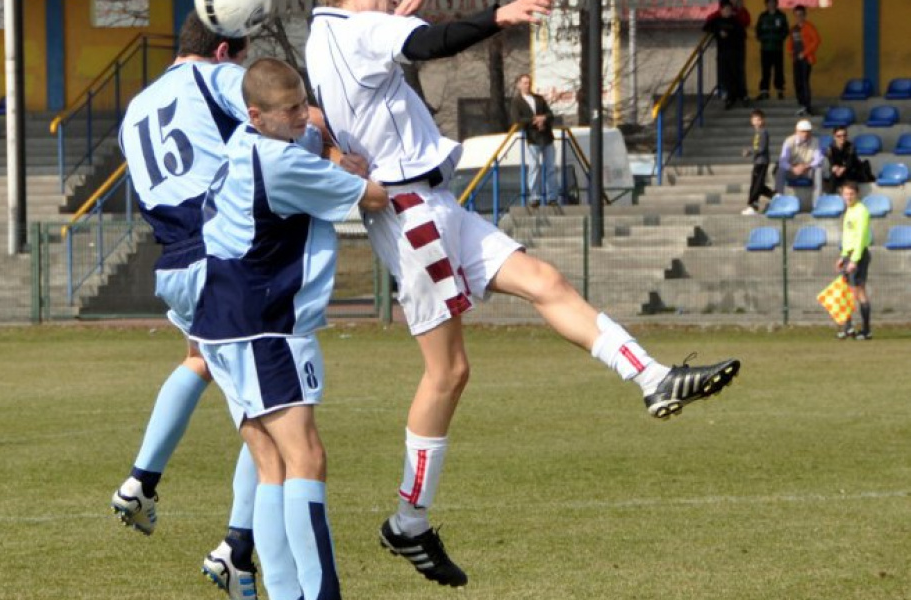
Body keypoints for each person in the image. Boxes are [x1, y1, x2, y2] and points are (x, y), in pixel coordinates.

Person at [306, 0, 741, 587]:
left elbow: (317, 109)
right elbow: (434, 44)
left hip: (433, 204)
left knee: (545, 281)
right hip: (414, 216)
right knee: (448, 373)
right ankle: (408, 521)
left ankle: (653, 377)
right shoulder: (363, 29)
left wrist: (334, 149)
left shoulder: (322, 33)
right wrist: (496, 15)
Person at [190, 56, 390, 600]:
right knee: (307, 457)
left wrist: (321, 143)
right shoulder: (279, 163)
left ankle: (284, 594)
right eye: (292, 110)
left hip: (221, 321)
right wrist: (350, 169)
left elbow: (307, 147)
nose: (305, 115)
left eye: (304, 103)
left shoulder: (244, 143)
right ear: (257, 114)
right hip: (264, 327)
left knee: (271, 463)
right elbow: (375, 197)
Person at [111, 14, 262, 599]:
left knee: (200, 359)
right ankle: (237, 549)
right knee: (272, 414)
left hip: (174, 262)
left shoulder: (137, 108)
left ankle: (142, 480)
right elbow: (271, 115)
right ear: (224, 50)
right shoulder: (216, 78)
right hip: (221, 258)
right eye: (242, 58)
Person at [508, 73, 558, 206]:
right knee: (534, 167)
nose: (527, 85)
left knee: (550, 167)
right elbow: (517, 120)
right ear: (519, 85)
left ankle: (552, 197)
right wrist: (534, 121)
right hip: (532, 138)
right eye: (524, 83)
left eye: (529, 82)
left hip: (547, 137)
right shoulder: (517, 102)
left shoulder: (539, 99)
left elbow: (550, 114)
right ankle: (534, 197)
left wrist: (544, 119)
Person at [836, 182, 872, 340]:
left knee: (857, 291)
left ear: (857, 194)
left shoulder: (862, 211)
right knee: (847, 291)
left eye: (851, 194)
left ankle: (865, 330)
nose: (848, 197)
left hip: (858, 255)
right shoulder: (849, 210)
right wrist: (843, 256)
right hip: (848, 254)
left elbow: (860, 237)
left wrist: (854, 260)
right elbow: (848, 236)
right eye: (846, 194)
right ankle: (849, 328)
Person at [704, 0, 749, 110]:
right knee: (725, 75)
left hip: (735, 52)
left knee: (737, 73)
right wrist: (718, 32)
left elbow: (743, 34)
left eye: (729, 9)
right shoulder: (717, 21)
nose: (727, 11)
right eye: (725, 9)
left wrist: (731, 35)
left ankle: (742, 95)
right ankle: (730, 97)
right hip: (723, 53)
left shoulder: (736, 21)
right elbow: (706, 27)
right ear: (721, 10)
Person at [775, 119, 823, 200]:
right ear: (797, 131)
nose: (805, 134)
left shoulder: (815, 141)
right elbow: (783, 161)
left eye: (808, 131)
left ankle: (817, 202)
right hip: (792, 170)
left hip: (807, 169)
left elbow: (818, 159)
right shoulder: (789, 141)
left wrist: (807, 166)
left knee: (818, 170)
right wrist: (792, 168)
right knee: (780, 170)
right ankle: (779, 198)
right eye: (803, 131)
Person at [787, 5, 819, 116]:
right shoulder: (793, 28)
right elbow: (790, 42)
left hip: (806, 59)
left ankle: (807, 106)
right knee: (797, 82)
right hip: (796, 59)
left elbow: (816, 41)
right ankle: (801, 104)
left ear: (804, 15)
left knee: (805, 82)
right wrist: (790, 51)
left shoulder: (809, 27)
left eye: (801, 15)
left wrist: (804, 53)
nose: (799, 17)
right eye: (796, 15)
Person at [754, 0, 789, 101]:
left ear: (776, 4)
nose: (771, 5)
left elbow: (785, 30)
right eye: (769, 3)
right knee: (765, 70)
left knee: (779, 70)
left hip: (777, 48)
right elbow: (758, 30)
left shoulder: (781, 15)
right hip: (765, 48)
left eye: (773, 2)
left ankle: (780, 90)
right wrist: (762, 38)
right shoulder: (763, 16)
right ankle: (764, 91)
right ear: (766, 4)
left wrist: (778, 38)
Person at [742, 109, 774, 215]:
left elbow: (762, 148)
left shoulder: (763, 132)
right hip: (758, 161)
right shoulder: (757, 133)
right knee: (758, 184)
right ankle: (774, 196)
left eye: (758, 120)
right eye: (754, 120)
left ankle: (753, 205)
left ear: (762, 121)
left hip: (762, 161)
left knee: (756, 185)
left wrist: (750, 151)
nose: (756, 122)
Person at [824, 127, 863, 194]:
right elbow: (831, 161)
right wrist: (834, 168)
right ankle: (830, 196)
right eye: (839, 136)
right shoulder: (830, 148)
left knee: (849, 177)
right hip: (837, 172)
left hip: (850, 171)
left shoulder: (851, 146)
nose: (842, 138)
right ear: (834, 137)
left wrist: (843, 169)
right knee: (833, 176)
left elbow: (850, 161)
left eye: (844, 135)